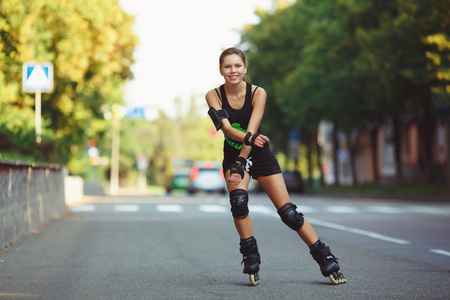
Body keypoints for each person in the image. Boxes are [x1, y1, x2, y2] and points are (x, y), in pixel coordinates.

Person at [205, 47, 346, 286]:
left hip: (259, 155)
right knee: (238, 202)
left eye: (237, 65)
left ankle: (325, 257)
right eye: (227, 66)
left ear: (245, 68)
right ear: (220, 70)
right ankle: (250, 255)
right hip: (233, 153)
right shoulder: (213, 95)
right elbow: (227, 129)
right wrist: (240, 155)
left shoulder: (258, 93)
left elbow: (252, 128)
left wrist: (243, 159)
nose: (233, 70)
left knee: (288, 213)